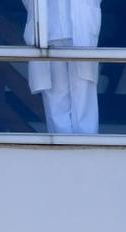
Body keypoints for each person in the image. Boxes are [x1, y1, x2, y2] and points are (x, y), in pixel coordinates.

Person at [23, 0, 102, 133]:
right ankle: (60, 147)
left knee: (83, 94)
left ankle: (87, 146)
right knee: (55, 98)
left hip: (81, 29)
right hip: (48, 32)